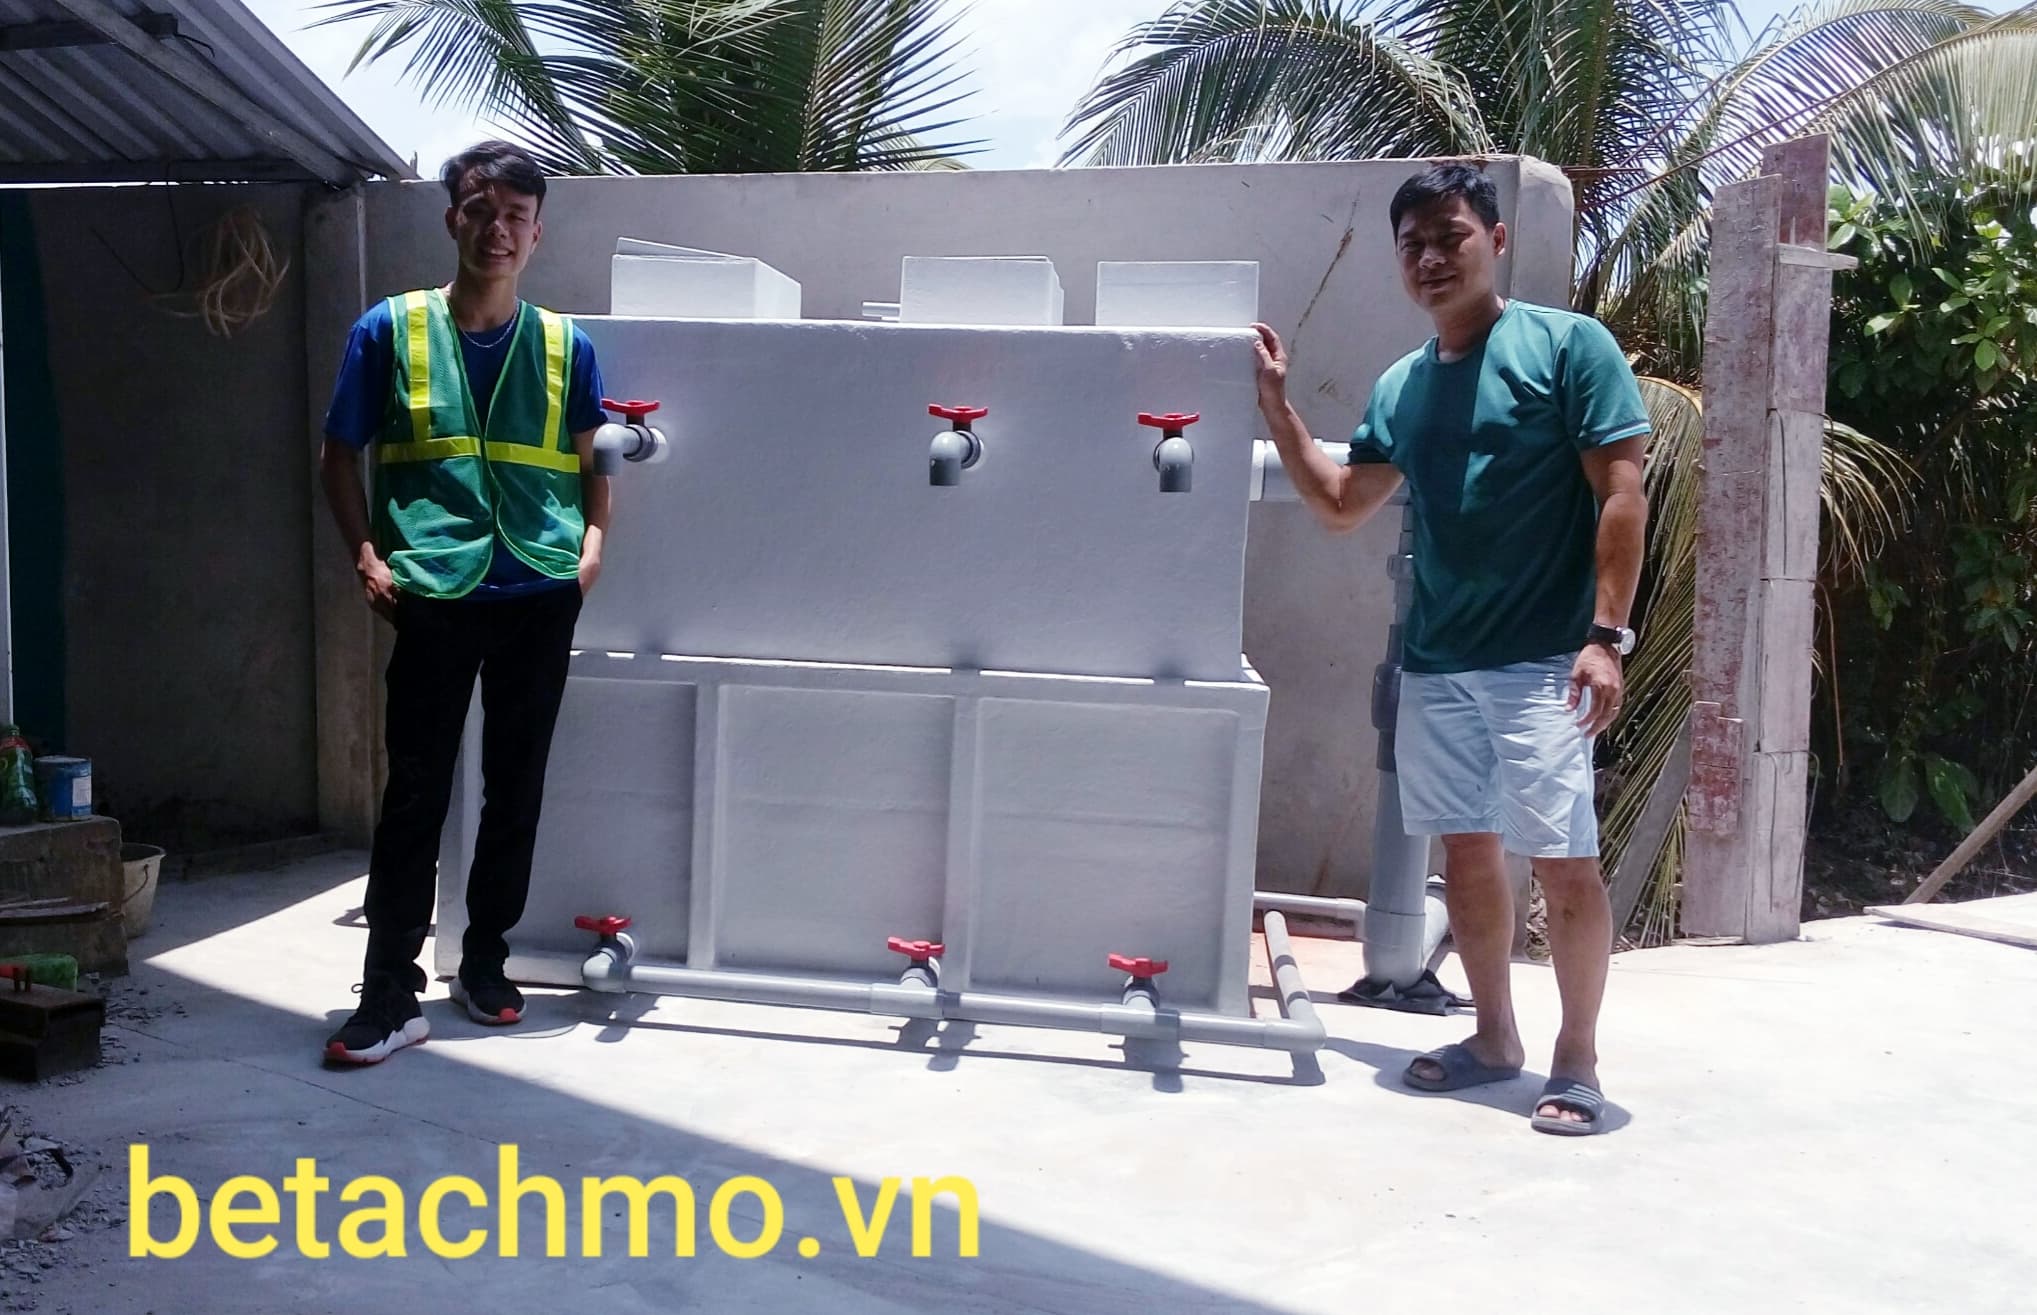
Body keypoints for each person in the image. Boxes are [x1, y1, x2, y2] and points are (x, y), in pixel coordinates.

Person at [1253, 163, 1649, 1134]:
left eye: (1450, 236)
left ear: (1496, 240)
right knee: (1467, 853)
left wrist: (1605, 638)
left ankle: (1577, 1059)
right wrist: (1277, 405)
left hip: (1545, 660)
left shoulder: (1567, 348)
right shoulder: (1403, 385)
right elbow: (1340, 504)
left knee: (1562, 859)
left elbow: (1622, 491)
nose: (1430, 257)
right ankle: (1494, 1038)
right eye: (1413, 245)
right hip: (1437, 662)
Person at [316, 141, 613, 1064]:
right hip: (433, 588)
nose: (498, 230)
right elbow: (337, 455)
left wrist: (590, 555)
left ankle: (485, 962)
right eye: (482, 211)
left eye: (517, 216)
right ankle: (388, 993)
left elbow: (595, 462)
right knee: (415, 791)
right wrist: (366, 556)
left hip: (538, 587)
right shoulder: (390, 329)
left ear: (536, 233)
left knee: (515, 790)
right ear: (453, 218)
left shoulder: (565, 344)